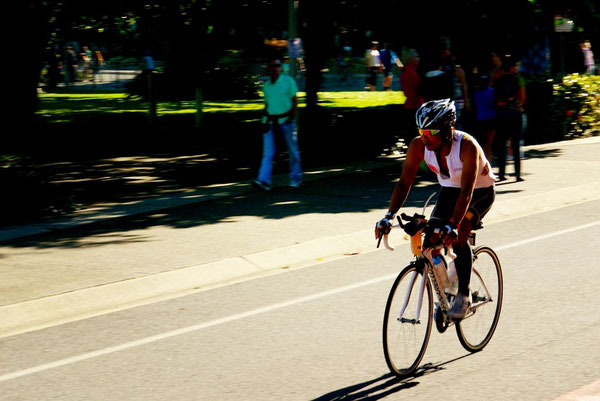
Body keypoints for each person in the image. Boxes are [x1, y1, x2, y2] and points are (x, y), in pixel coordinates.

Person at [375, 99, 496, 320]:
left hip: (479, 191)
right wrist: (388, 216)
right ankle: (445, 291)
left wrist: (454, 225)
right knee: (430, 242)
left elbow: (467, 191)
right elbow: (404, 183)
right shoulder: (418, 146)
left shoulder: (466, 146)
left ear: (447, 130)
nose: (425, 137)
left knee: (460, 233)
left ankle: (463, 294)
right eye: (422, 131)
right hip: (450, 190)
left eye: (431, 132)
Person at [253, 59, 302, 191]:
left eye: (277, 66)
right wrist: (264, 121)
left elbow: (295, 100)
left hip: (286, 121)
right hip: (270, 121)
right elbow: (268, 104)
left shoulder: (288, 81)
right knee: (268, 153)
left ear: (280, 68)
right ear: (269, 68)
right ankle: (264, 181)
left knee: (293, 151)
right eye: (272, 66)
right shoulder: (267, 86)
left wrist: (291, 118)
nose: (275, 68)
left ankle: (295, 179)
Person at [493, 55, 526, 182]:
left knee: (502, 143)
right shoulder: (517, 79)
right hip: (515, 112)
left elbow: (494, 98)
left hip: (501, 113)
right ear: (512, 67)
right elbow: (522, 96)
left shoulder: (497, 80)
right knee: (516, 144)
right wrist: (518, 104)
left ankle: (502, 173)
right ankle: (517, 173)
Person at [399, 49, 423, 143]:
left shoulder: (406, 71)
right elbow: (417, 88)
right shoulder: (411, 72)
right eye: (416, 56)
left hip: (410, 104)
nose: (418, 58)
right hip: (415, 104)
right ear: (411, 59)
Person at [473, 74, 496, 161]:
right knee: (488, 146)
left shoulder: (476, 93)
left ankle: (481, 167)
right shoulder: (491, 91)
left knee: (481, 146)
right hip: (491, 120)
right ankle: (488, 166)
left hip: (480, 120)